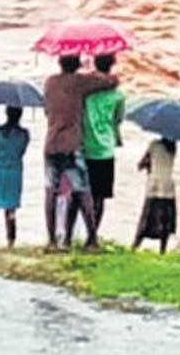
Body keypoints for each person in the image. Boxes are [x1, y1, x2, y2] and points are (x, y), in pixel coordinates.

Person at [43, 54, 118, 252]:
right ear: (77, 65)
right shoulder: (79, 82)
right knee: (83, 191)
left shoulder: (50, 82)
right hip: (72, 145)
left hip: (51, 144)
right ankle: (92, 240)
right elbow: (111, 81)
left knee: (51, 191)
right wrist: (91, 71)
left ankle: (52, 241)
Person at [68, 53, 126, 239]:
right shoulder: (118, 96)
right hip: (105, 150)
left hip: (84, 147)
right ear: (112, 65)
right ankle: (92, 237)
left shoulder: (86, 93)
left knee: (77, 195)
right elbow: (117, 120)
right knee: (99, 197)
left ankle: (68, 236)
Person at [0, 106, 30, 249]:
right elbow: (22, 151)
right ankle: (10, 241)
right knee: (11, 210)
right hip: (14, 172)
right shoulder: (24, 134)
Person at [133, 139, 177, 254]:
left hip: (154, 185)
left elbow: (141, 164)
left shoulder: (154, 145)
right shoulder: (173, 147)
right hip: (168, 186)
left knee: (147, 217)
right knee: (165, 220)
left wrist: (147, 165)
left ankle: (135, 246)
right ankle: (162, 250)